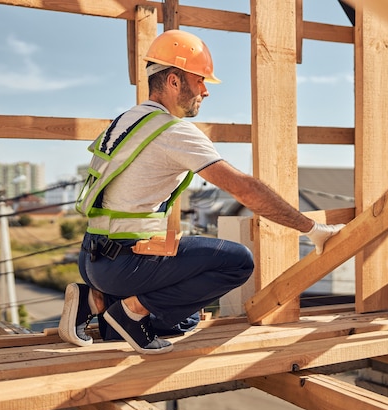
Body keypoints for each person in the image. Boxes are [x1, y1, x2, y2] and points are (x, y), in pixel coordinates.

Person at [58, 29, 344, 355]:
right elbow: (244, 189)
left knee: (186, 319)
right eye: (200, 81)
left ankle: (94, 300)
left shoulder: (126, 121)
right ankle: (130, 312)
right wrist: (312, 229)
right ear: (174, 82)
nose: (205, 91)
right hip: (124, 265)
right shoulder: (174, 132)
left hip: (93, 257)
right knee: (237, 263)